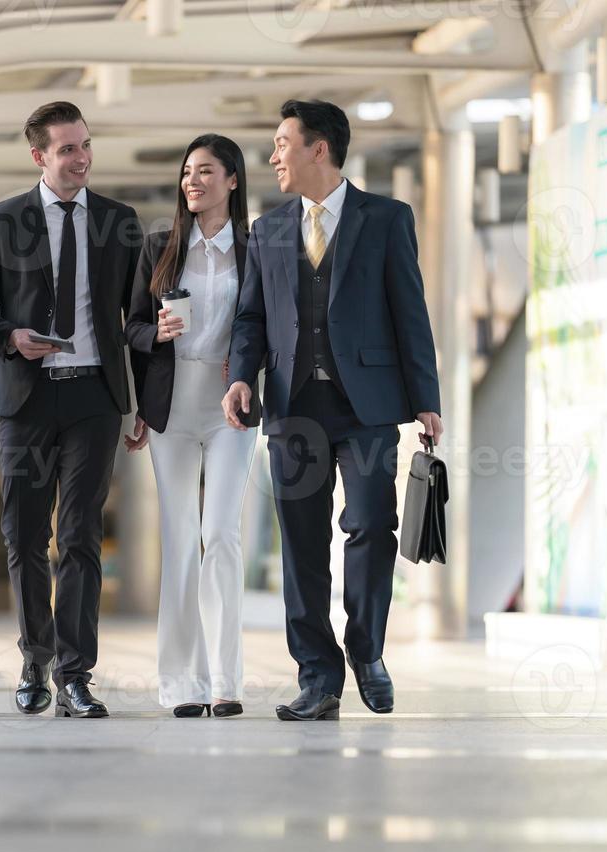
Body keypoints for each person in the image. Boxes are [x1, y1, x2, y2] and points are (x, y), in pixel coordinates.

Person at [221, 100, 443, 721]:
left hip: (367, 405)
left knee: (372, 523)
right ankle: (317, 676)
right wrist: (241, 377)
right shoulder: (266, 230)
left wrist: (426, 400)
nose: (273, 157)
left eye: (282, 143)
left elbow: (411, 314)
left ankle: (366, 650)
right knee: (301, 542)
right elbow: (251, 318)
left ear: (319, 149)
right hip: (294, 406)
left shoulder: (387, 219)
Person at [0, 101, 143, 718]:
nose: (81, 158)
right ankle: (33, 661)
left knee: (81, 537)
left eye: (86, 145)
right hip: (27, 397)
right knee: (24, 534)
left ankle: (75, 674)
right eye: (67, 149)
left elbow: (136, 319)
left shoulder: (120, 222)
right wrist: (10, 336)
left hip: (95, 396)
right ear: (40, 157)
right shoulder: (4, 219)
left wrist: (142, 402)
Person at [123, 134, 256, 718]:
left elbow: (272, 325)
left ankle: (226, 681)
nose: (192, 181)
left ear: (232, 180)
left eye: (205, 171)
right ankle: (182, 683)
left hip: (232, 407)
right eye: (186, 173)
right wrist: (156, 335)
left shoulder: (257, 250)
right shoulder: (159, 247)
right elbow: (128, 328)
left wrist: (250, 371)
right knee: (179, 539)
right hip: (171, 407)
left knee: (221, 535)